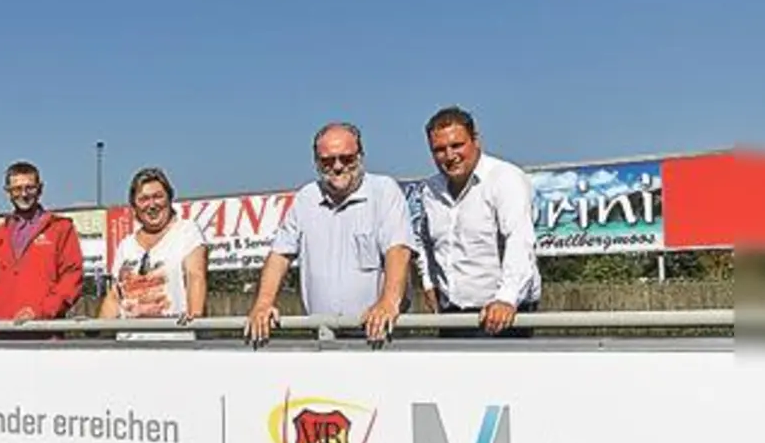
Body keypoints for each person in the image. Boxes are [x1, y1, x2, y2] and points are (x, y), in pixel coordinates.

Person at [245, 122, 415, 346]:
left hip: (378, 333)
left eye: (346, 158)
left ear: (360, 156)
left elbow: (398, 250)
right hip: (321, 336)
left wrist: (388, 302)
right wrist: (263, 303)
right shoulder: (306, 198)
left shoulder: (384, 191)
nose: (337, 166)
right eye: (327, 161)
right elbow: (279, 255)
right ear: (316, 162)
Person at [410, 106, 541, 337]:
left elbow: (519, 240)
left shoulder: (505, 178)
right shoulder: (429, 190)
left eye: (457, 145)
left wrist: (506, 299)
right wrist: (429, 283)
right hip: (451, 315)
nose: (450, 156)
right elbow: (422, 241)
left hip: (503, 314)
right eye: (439, 149)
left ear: (476, 140)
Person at [0, 161, 84, 324]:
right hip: (3, 332)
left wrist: (41, 311)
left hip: (44, 330)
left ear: (40, 189)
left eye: (30, 187)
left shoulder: (60, 228)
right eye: (17, 189)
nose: (23, 194)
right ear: (8, 192)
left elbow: (72, 277)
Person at [98, 167, 208, 323]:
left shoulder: (187, 232)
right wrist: (94, 331)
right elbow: (115, 296)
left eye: (158, 197)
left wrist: (196, 320)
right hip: (129, 343)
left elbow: (195, 276)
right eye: (143, 199)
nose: (151, 205)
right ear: (134, 206)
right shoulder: (126, 245)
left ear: (169, 199)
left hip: (173, 340)